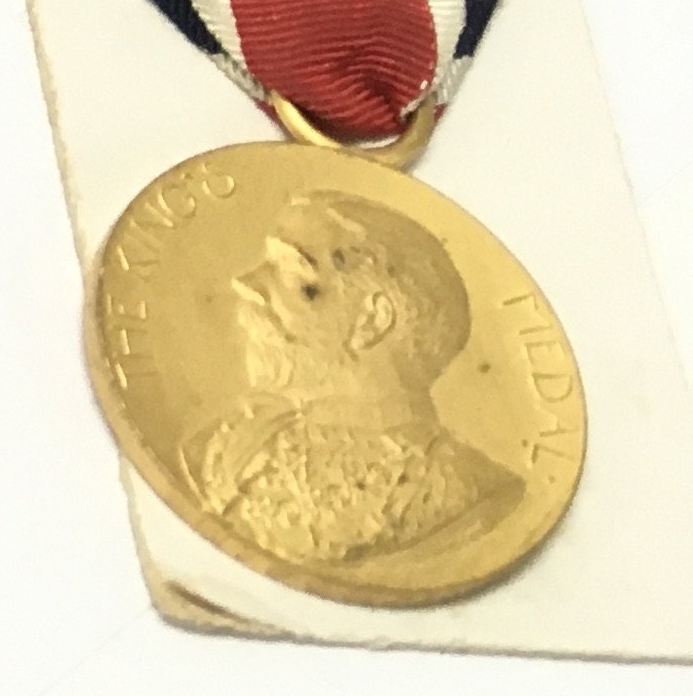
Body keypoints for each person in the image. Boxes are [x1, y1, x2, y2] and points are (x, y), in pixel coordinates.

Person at [190, 193, 523, 572]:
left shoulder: (470, 495)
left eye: (293, 272)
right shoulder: (218, 449)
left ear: (373, 319)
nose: (244, 283)